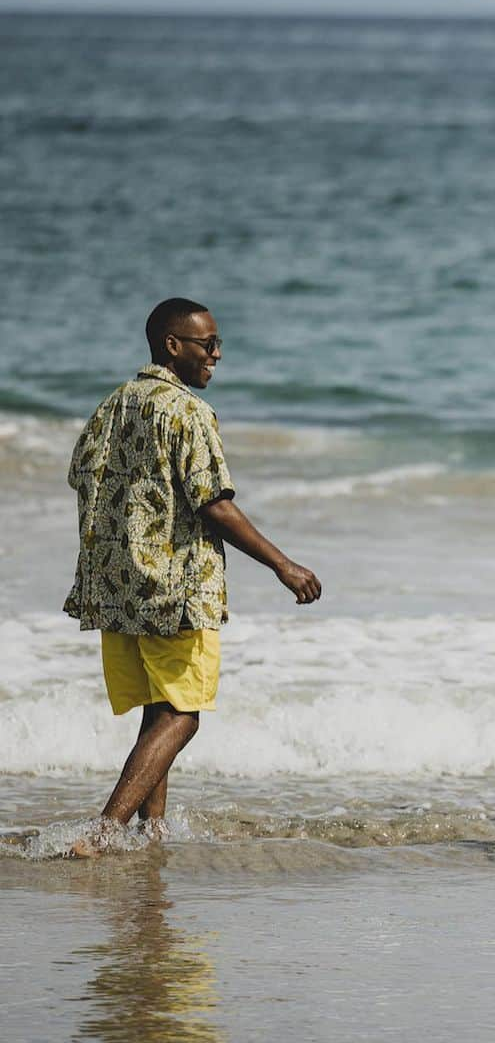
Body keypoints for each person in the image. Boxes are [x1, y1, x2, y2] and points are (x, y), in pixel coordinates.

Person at [64, 297, 322, 854]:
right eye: (208, 345)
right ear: (172, 346)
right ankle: (104, 832)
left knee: (159, 712)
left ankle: (150, 838)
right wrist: (284, 565)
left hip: (119, 586)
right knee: (184, 716)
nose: (218, 355)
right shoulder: (187, 411)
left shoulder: (115, 404)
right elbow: (214, 504)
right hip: (176, 587)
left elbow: (80, 475)